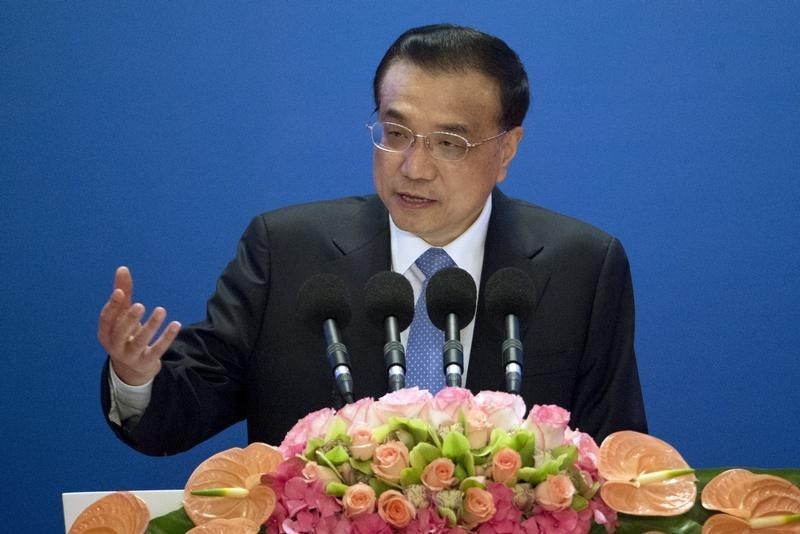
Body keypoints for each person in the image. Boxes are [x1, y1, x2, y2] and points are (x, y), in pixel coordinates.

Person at [98, 24, 647, 456]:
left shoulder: (582, 266)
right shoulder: (287, 250)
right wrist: (136, 377)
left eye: (450, 143)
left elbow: (613, 452)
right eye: (396, 132)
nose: (413, 166)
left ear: (506, 150)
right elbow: (186, 407)